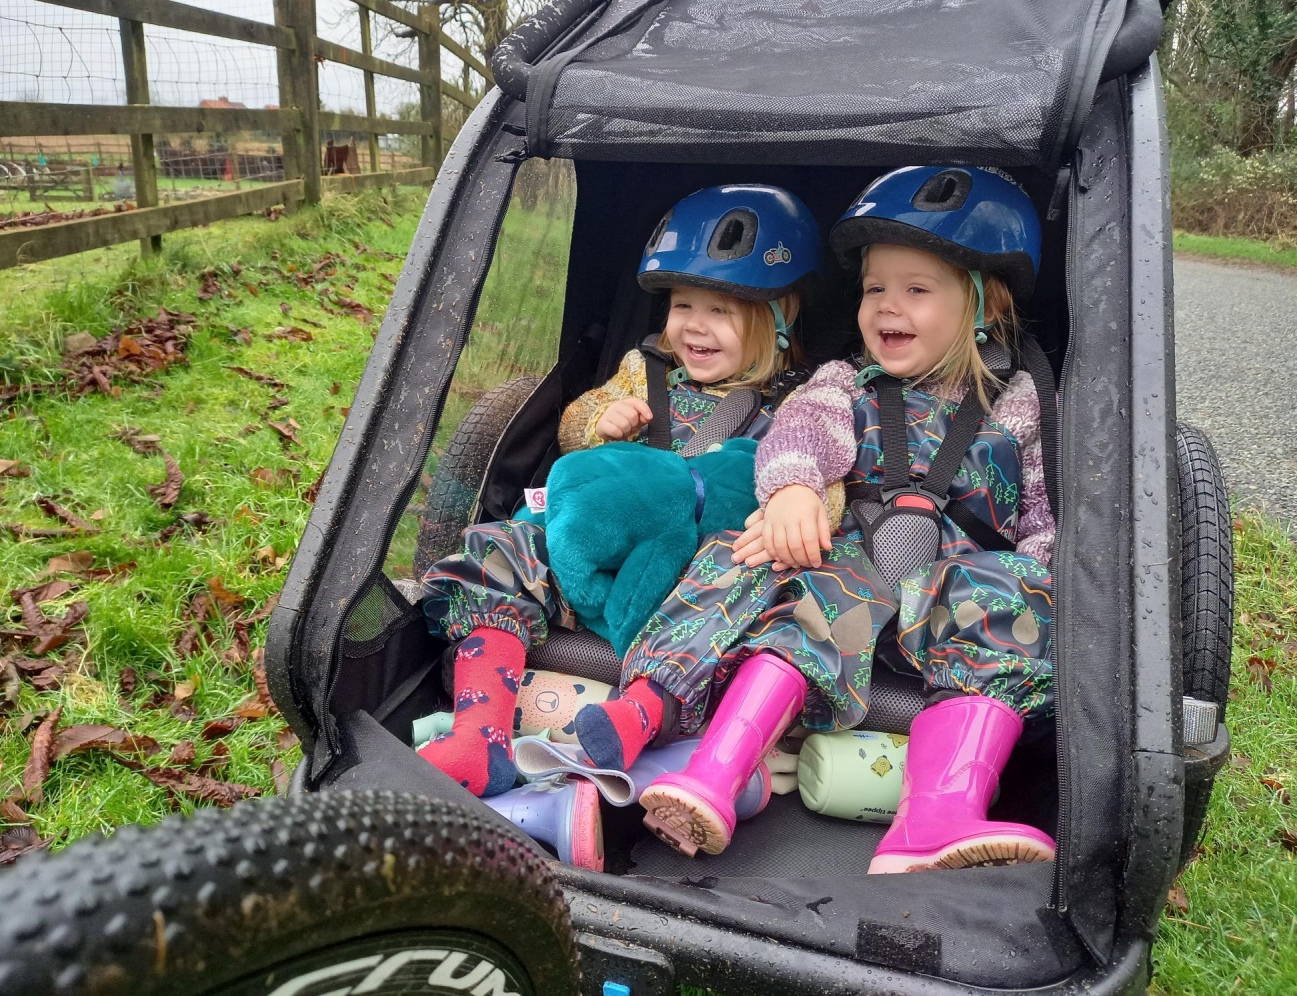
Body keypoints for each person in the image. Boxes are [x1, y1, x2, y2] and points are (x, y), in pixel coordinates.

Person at [577, 166, 1057, 871]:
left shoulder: (1019, 405)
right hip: (839, 598)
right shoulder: (842, 382)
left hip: (957, 612)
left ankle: (938, 814)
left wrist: (1043, 578)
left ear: (983, 304)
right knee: (760, 554)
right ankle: (710, 772)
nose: (886, 306)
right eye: (873, 289)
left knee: (1018, 583)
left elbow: (1042, 511)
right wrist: (794, 490)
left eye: (915, 290)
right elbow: (799, 432)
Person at [417, 183, 821, 797]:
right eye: (682, 306)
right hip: (597, 544)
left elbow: (819, 478)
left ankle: (635, 716)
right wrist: (597, 423)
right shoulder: (646, 370)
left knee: (746, 572)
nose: (694, 327)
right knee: (507, 544)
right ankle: (480, 734)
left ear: (779, 316)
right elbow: (578, 420)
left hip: (689, 569)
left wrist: (792, 507)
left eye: (720, 310)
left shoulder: (799, 406)